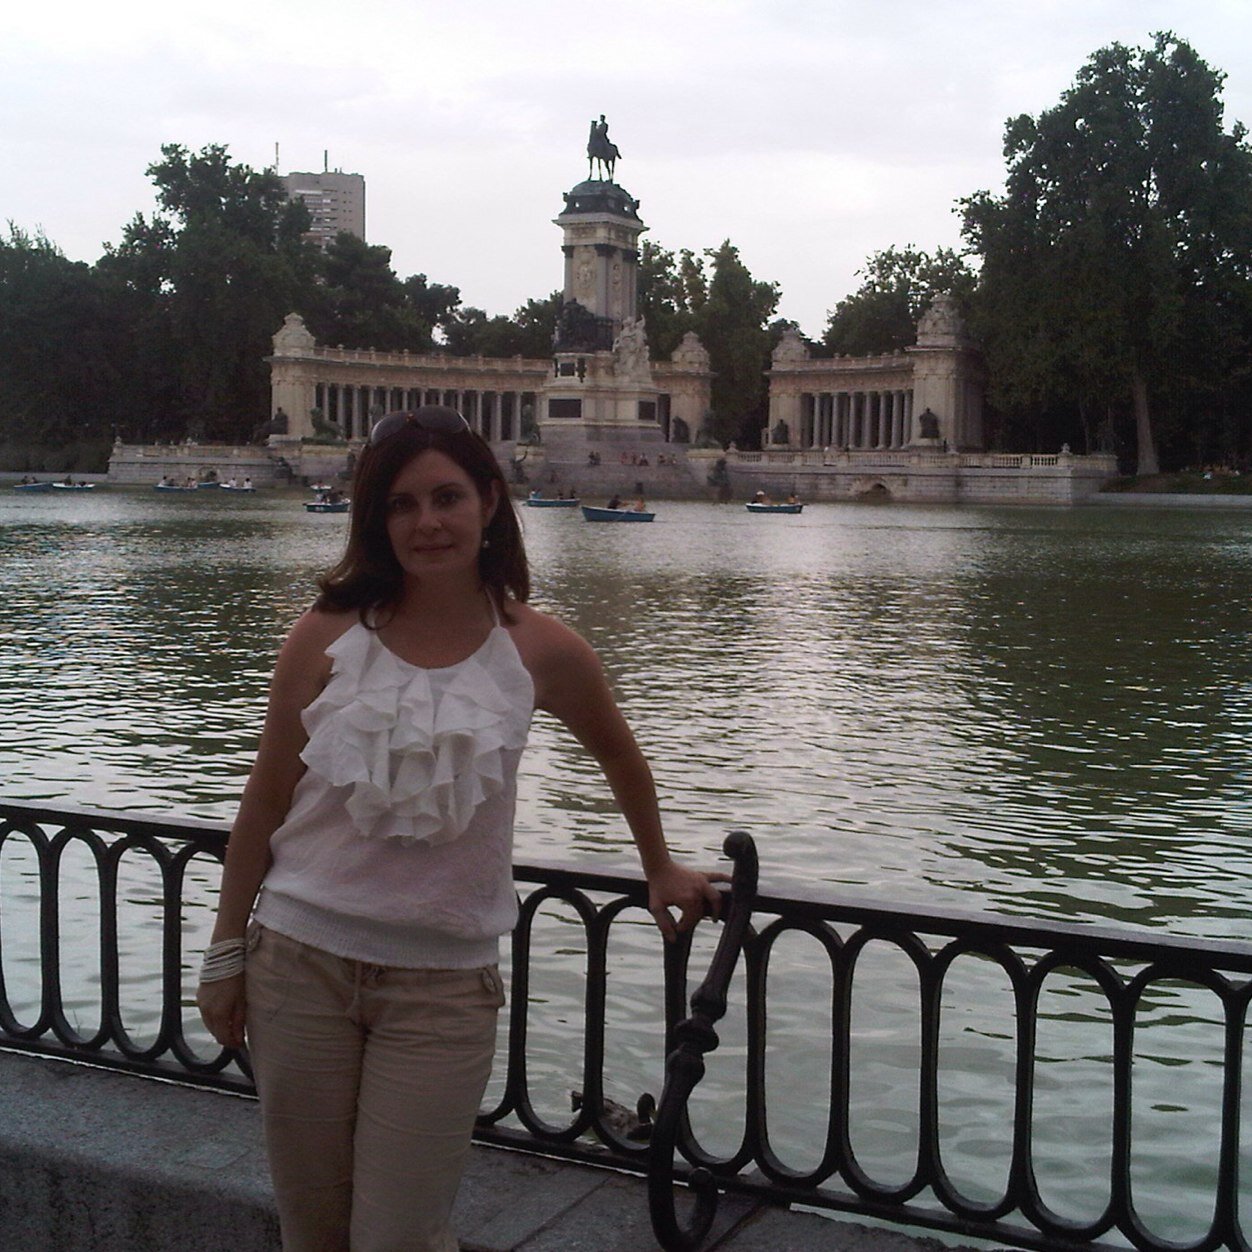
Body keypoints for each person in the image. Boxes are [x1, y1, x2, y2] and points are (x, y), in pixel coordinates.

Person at [197, 406, 725, 1252]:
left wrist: (658, 865)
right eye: (401, 504)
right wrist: (226, 953)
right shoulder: (323, 634)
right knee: (312, 1232)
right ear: (377, 519)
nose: (427, 522)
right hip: (297, 965)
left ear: (488, 502)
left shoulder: (544, 650)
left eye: (446, 497)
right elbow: (264, 800)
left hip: (441, 989)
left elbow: (622, 758)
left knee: (401, 1237)